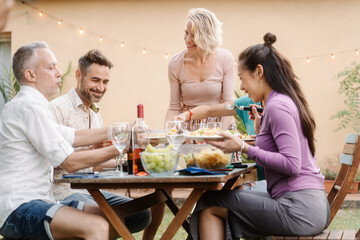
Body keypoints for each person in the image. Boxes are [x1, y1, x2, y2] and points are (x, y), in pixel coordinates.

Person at [0, 41, 151, 240]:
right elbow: (69, 163)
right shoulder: (28, 107)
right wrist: (122, 144)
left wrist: (124, 129)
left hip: (42, 201)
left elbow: (74, 135)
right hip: (18, 209)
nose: (59, 72)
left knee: (122, 217)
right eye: (51, 67)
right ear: (30, 75)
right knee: (98, 226)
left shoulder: (35, 106)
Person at [188, 33, 329, 239]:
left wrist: (244, 148)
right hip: (309, 206)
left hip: (299, 210)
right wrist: (260, 131)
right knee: (218, 200)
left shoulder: (277, 107)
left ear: (259, 72)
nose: (242, 86)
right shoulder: (282, 101)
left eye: (242, 78)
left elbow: (292, 164)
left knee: (210, 204)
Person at [49, 49, 117, 201]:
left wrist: (128, 160)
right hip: (63, 192)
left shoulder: (96, 115)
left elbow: (94, 166)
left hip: (91, 190)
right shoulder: (56, 109)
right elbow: (50, 162)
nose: (100, 88)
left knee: (139, 213)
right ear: (78, 75)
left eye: (105, 82)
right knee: (107, 215)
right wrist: (90, 151)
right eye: (95, 80)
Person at [165, 8, 236, 132]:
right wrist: (168, 135)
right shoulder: (175, 63)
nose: (187, 39)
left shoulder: (225, 58)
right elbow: (174, 107)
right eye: (186, 33)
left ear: (207, 36)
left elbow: (229, 103)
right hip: (189, 129)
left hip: (220, 126)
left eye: (194, 35)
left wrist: (220, 134)